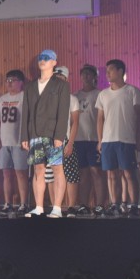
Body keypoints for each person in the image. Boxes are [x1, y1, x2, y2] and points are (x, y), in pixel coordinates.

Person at [20, 50, 70, 218]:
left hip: (52, 133)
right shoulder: (30, 86)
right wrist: (25, 136)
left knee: (57, 169)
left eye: (47, 58)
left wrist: (59, 136)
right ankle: (39, 207)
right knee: (38, 169)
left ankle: (57, 208)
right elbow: (26, 112)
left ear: (54, 62)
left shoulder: (61, 85)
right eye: (41, 58)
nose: (43, 60)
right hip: (35, 133)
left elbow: (63, 112)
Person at [96, 59, 140, 217]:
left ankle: (134, 205)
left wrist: (138, 138)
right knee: (111, 174)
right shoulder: (103, 94)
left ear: (121, 71)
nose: (107, 73)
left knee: (129, 173)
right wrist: (100, 140)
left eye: (110, 70)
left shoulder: (132, 91)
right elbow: (100, 119)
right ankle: (114, 204)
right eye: (106, 70)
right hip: (108, 140)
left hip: (126, 139)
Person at [0, 70, 28, 216]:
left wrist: (26, 138)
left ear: (21, 82)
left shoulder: (25, 97)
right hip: (4, 142)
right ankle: (7, 203)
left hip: (19, 142)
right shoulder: (2, 99)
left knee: (21, 173)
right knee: (6, 174)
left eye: (12, 80)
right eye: (7, 80)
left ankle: (23, 203)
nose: (9, 83)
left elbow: (30, 119)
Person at [73, 64, 105, 216]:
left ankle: (100, 205)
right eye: (83, 73)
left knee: (96, 171)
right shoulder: (75, 96)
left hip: (94, 139)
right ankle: (84, 204)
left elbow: (103, 118)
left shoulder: (100, 94)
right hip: (79, 140)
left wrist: (101, 139)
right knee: (83, 173)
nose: (85, 76)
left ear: (94, 77)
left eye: (88, 74)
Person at [53, 67, 83, 217]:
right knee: (53, 175)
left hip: (65, 139)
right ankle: (56, 206)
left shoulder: (72, 99)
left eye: (61, 78)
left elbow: (75, 122)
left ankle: (71, 206)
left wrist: (70, 143)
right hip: (51, 141)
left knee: (71, 174)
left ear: (66, 80)